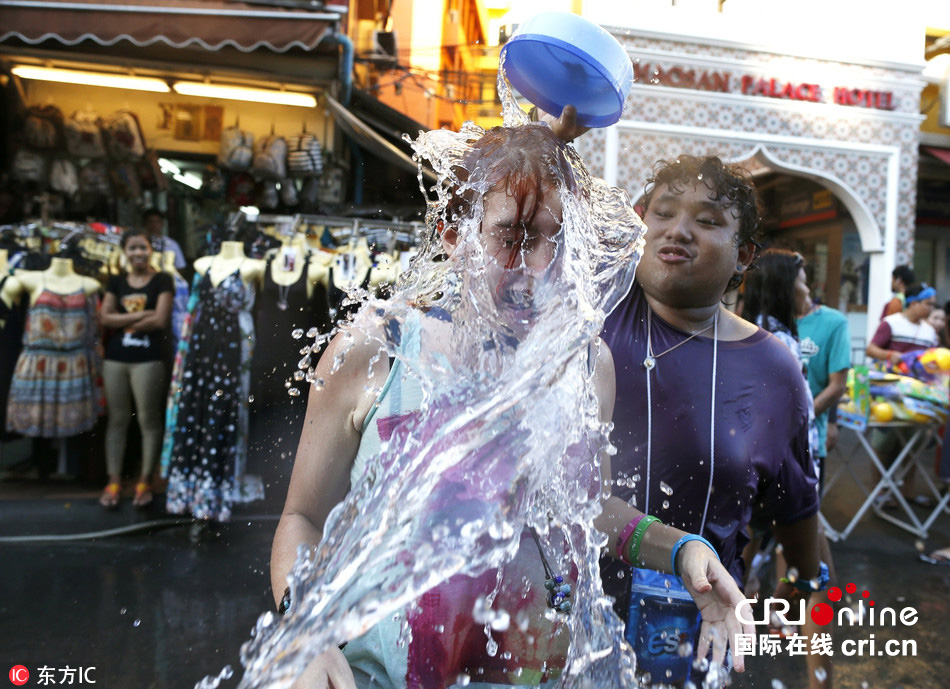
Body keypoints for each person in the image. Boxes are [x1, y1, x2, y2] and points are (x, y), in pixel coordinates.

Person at [269, 126, 751, 688]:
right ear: (455, 233)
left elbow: (586, 507)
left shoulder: (585, 360)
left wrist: (683, 550)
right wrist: (305, 629)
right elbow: (302, 518)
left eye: (560, 239)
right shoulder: (379, 347)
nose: (541, 265)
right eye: (515, 236)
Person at [599, 155, 823, 679]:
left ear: (744, 254)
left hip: (697, 627)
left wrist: (808, 586)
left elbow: (797, 503)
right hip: (563, 612)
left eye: (707, 220)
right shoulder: (595, 310)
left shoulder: (773, 367)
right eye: (663, 212)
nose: (678, 230)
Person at [741, 248, 837, 689]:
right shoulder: (774, 341)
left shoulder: (751, 332)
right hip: (784, 479)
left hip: (770, 477)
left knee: (736, 577)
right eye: (801, 278)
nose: (807, 286)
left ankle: (742, 642)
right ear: (783, 284)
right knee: (818, 579)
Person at [98, 228, 173, 509]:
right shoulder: (116, 281)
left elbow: (160, 320)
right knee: (117, 421)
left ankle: (145, 481)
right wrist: (143, 315)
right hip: (116, 359)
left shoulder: (163, 280)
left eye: (142, 247)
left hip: (148, 359)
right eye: (132, 248)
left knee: (148, 420)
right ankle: (114, 480)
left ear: (150, 250)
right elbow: (104, 317)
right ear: (124, 252)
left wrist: (124, 319)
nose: (138, 253)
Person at [865, 282, 939, 507]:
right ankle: (880, 491)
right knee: (882, 444)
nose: (931, 309)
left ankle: (908, 491)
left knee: (913, 446)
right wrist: (890, 355)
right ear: (914, 303)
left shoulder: (929, 331)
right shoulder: (891, 323)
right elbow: (871, 349)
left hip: (918, 397)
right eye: (928, 304)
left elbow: (933, 358)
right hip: (888, 395)